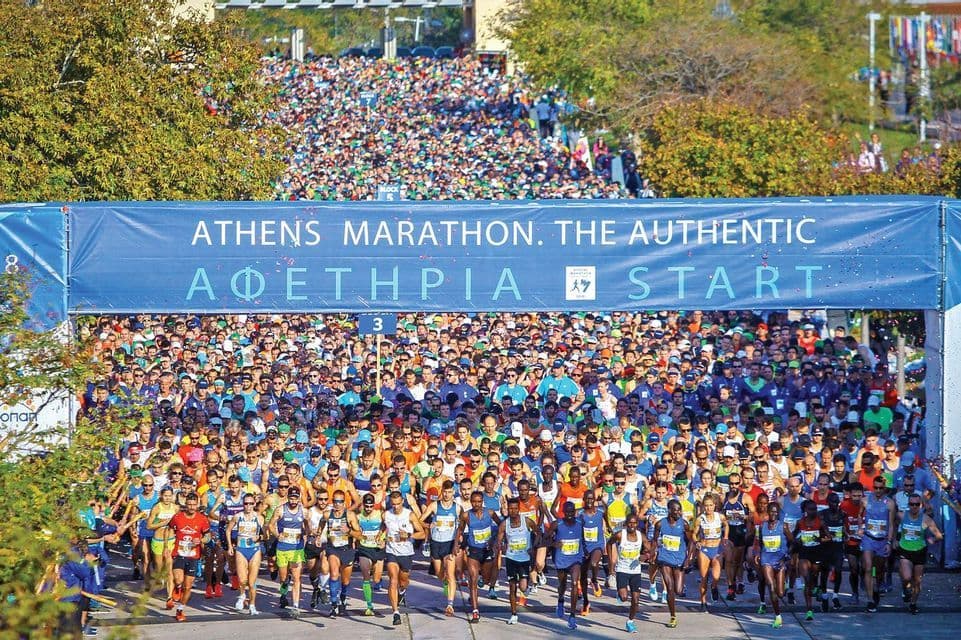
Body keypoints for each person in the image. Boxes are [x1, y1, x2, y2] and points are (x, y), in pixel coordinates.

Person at [454, 490, 500, 623]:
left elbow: (501, 525)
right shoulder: (466, 515)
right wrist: (456, 544)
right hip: (473, 551)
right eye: (474, 501)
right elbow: (460, 530)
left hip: (487, 551)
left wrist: (495, 540)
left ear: (482, 502)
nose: (476, 504)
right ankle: (475, 611)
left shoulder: (490, 513)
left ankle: (482, 579)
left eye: (479, 501)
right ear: (471, 502)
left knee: (485, 580)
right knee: (473, 580)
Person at [167, 492, 211, 622]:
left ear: (197, 505)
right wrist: (166, 546)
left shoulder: (202, 519)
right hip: (179, 554)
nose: (191, 507)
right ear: (185, 504)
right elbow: (169, 529)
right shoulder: (178, 517)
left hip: (193, 556)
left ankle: (180, 610)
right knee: (178, 580)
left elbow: (208, 536)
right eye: (189, 504)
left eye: (194, 505)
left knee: (188, 586)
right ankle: (177, 587)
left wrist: (201, 540)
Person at [420, 479, 462, 615]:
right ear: (441, 492)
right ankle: (445, 583)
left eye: (450, 492)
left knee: (450, 574)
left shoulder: (457, 507)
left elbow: (462, 525)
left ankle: (450, 604)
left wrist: (459, 539)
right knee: (439, 573)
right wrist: (428, 525)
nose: (447, 495)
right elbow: (419, 520)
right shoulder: (434, 506)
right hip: (436, 543)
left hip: (449, 543)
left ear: (453, 493)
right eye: (445, 492)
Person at [384, 489, 426, 626]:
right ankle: (395, 613)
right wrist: (380, 537)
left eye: (398, 504)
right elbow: (382, 528)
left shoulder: (410, 515)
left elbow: (422, 534)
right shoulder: (386, 515)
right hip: (391, 552)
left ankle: (402, 591)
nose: (395, 506)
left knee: (403, 581)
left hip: (406, 553)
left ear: (402, 502)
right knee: (393, 579)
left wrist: (408, 536)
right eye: (393, 504)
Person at [897, 494, 943, 614]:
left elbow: (939, 535)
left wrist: (933, 540)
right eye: (911, 504)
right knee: (907, 577)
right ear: (908, 505)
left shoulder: (925, 519)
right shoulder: (902, 515)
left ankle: (913, 603)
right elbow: (893, 524)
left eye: (917, 504)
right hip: (905, 549)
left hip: (920, 551)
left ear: (921, 505)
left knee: (917, 581)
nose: (914, 507)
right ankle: (905, 588)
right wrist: (893, 540)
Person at [652, 498, 694, 628]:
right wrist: (654, 553)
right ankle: (673, 616)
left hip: (679, 558)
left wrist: (688, 558)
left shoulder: (684, 524)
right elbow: (654, 540)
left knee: (678, 590)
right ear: (669, 510)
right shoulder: (660, 524)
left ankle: (681, 587)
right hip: (664, 558)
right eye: (675, 510)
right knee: (669, 587)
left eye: (679, 510)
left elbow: (691, 541)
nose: (678, 512)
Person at [496, 496, 537, 625]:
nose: (513, 511)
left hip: (524, 559)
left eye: (515, 508)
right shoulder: (504, 524)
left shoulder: (527, 521)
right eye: (510, 509)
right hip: (511, 558)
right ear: (507, 510)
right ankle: (513, 614)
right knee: (512, 586)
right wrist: (500, 545)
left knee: (523, 587)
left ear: (519, 509)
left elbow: (538, 532)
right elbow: (499, 539)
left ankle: (528, 587)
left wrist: (533, 546)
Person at [268, 486, 306, 615]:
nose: (293, 501)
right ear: (288, 497)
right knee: (284, 578)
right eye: (291, 497)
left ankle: (295, 606)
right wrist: (277, 535)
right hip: (283, 548)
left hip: (297, 549)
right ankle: (283, 595)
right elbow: (270, 525)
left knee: (297, 577)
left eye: (296, 498)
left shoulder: (304, 511)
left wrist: (306, 532)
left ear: (299, 498)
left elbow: (309, 527)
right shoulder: (280, 510)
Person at [755, 502, 793, 628]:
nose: (773, 514)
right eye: (771, 511)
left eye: (776, 512)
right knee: (771, 586)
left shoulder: (784, 527)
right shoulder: (762, 527)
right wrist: (758, 554)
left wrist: (786, 557)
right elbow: (760, 542)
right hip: (767, 560)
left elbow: (793, 543)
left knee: (780, 593)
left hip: (780, 559)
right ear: (768, 512)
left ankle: (785, 581)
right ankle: (778, 617)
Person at [225, 492, 264, 615]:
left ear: (254, 504)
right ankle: (242, 595)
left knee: (252, 582)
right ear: (243, 504)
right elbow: (228, 530)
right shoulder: (238, 516)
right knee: (242, 580)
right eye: (246, 503)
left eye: (251, 504)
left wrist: (258, 537)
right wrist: (230, 545)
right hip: (241, 549)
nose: (248, 506)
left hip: (254, 549)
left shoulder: (259, 517)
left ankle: (252, 605)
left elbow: (264, 535)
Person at [862, 476, 896, 613]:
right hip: (868, 538)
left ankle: (877, 587)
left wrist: (889, 541)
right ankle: (870, 600)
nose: (877, 490)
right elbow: (859, 516)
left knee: (880, 571)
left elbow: (892, 524)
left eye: (880, 488)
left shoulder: (890, 503)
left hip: (882, 540)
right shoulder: (865, 501)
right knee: (868, 568)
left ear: (884, 488)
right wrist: (859, 527)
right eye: (875, 487)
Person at [323, 488, 359, 616]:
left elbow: (360, 535)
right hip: (333, 548)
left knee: (345, 581)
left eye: (340, 501)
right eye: (335, 501)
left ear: (344, 502)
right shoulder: (327, 514)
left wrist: (349, 531)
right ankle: (333, 604)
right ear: (332, 502)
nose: (338, 504)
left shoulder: (350, 515)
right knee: (333, 574)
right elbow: (322, 523)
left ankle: (343, 597)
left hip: (347, 549)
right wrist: (317, 535)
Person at [549, 500, 584, 630]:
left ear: (574, 512)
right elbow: (546, 539)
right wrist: (553, 544)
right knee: (562, 585)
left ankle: (572, 616)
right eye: (567, 512)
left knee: (575, 583)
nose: (569, 514)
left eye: (571, 512)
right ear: (563, 512)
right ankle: (561, 600)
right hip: (562, 560)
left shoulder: (580, 523)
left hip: (575, 559)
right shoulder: (557, 524)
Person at [609, 513, 645, 633]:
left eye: (634, 523)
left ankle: (630, 621)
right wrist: (611, 561)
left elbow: (651, 548)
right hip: (622, 569)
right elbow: (609, 543)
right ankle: (620, 593)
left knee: (635, 600)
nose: (632, 525)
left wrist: (647, 555)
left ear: (637, 524)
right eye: (630, 522)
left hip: (636, 571)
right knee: (624, 598)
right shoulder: (620, 535)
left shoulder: (641, 536)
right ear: (626, 524)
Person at [692, 493, 728, 610]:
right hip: (705, 549)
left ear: (714, 505)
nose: (708, 508)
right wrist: (696, 541)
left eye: (711, 505)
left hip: (717, 549)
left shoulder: (720, 517)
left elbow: (726, 525)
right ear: (703, 506)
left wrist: (726, 537)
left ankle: (714, 587)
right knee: (704, 577)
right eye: (706, 506)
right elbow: (694, 534)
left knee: (716, 576)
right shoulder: (700, 519)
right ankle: (703, 602)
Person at [793, 499, 827, 621]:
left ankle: (815, 587)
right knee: (807, 579)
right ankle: (809, 610)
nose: (813, 511)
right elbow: (794, 536)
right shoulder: (800, 522)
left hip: (817, 553)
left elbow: (829, 537)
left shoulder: (820, 522)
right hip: (804, 553)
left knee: (814, 575)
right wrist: (796, 541)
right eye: (810, 509)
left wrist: (820, 540)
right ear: (805, 510)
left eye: (815, 509)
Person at [353, 492, 386, 616]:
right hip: (364, 548)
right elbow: (355, 530)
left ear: (374, 505)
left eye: (371, 506)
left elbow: (387, 526)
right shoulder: (358, 516)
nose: (368, 509)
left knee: (376, 579)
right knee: (366, 576)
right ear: (363, 505)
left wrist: (383, 538)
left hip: (377, 549)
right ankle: (369, 605)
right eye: (366, 507)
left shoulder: (380, 515)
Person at [145, 486, 178, 609]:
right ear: (161, 496)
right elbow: (149, 526)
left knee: (169, 568)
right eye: (165, 496)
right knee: (159, 568)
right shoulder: (157, 508)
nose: (167, 498)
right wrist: (163, 523)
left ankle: (170, 597)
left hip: (170, 540)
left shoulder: (175, 508)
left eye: (170, 495)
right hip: (158, 540)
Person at [578, 491, 606, 614]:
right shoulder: (579, 514)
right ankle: (585, 602)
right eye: (587, 499)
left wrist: (609, 528)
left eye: (591, 499)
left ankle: (594, 580)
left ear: (595, 500)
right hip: (584, 547)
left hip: (597, 545)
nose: (589, 501)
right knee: (582, 577)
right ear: (584, 499)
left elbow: (607, 515)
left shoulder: (600, 512)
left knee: (594, 564)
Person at [818, 493, 847, 611]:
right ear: (828, 503)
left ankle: (835, 595)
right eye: (832, 502)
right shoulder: (822, 515)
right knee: (824, 572)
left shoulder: (843, 514)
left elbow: (845, 528)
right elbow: (818, 530)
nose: (834, 505)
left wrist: (846, 535)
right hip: (826, 547)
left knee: (839, 570)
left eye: (836, 502)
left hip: (838, 547)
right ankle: (824, 595)